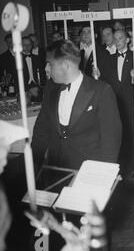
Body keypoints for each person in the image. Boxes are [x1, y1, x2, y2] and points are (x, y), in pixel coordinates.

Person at [32, 40, 122, 170]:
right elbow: (42, 129)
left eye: (50, 64)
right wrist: (33, 163)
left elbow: (111, 140)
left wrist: (105, 174)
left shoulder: (101, 91)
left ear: (66, 65)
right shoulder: (51, 87)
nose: (46, 68)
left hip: (89, 171)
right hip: (55, 170)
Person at [100, 30, 134, 179]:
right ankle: (120, 167)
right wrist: (98, 75)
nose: (118, 41)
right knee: (117, 136)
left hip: (131, 102)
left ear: (127, 40)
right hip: (115, 105)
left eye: (121, 38)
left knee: (132, 136)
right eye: (115, 39)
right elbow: (106, 82)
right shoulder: (109, 59)